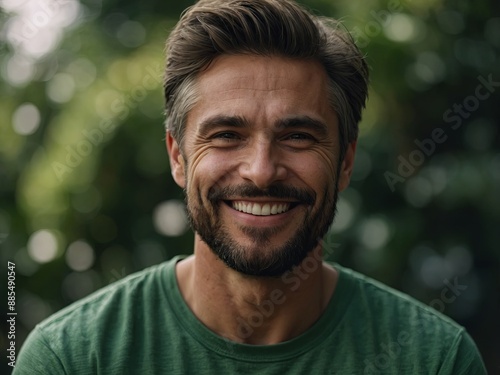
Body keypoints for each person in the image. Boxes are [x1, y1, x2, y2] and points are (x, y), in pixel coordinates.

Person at [14, 0, 487, 373]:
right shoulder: (72, 359)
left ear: (345, 161)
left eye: (297, 136)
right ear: (178, 156)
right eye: (226, 136)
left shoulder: (435, 360)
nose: (261, 171)